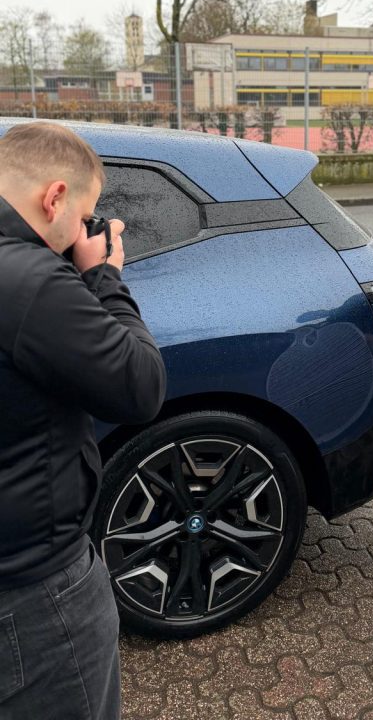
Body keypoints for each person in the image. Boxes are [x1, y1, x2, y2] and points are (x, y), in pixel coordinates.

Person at [0, 122, 167, 719]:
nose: (81, 231)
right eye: (83, 215)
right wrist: (103, 278)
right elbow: (140, 387)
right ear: (54, 197)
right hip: (32, 589)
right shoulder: (30, 281)